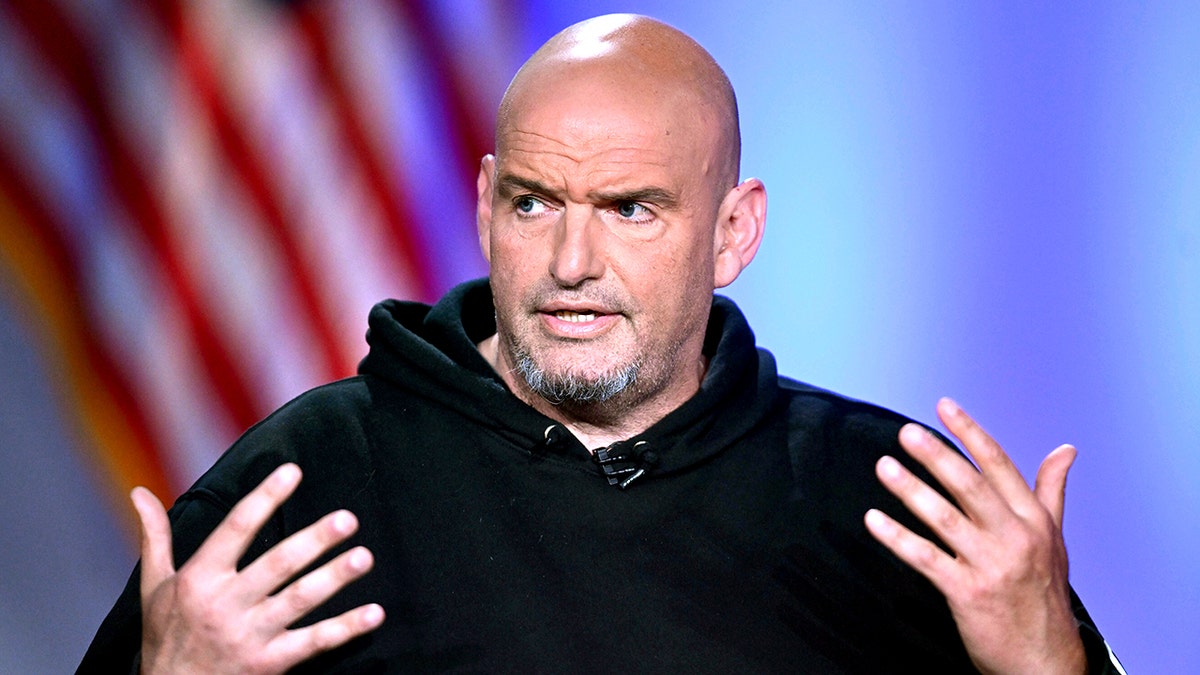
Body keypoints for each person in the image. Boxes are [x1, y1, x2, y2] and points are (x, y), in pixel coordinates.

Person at [80, 14, 1122, 674]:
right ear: (486, 204)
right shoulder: (304, 482)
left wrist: (1044, 662)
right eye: (535, 204)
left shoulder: (888, 503)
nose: (571, 261)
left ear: (733, 233)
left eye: (630, 209)